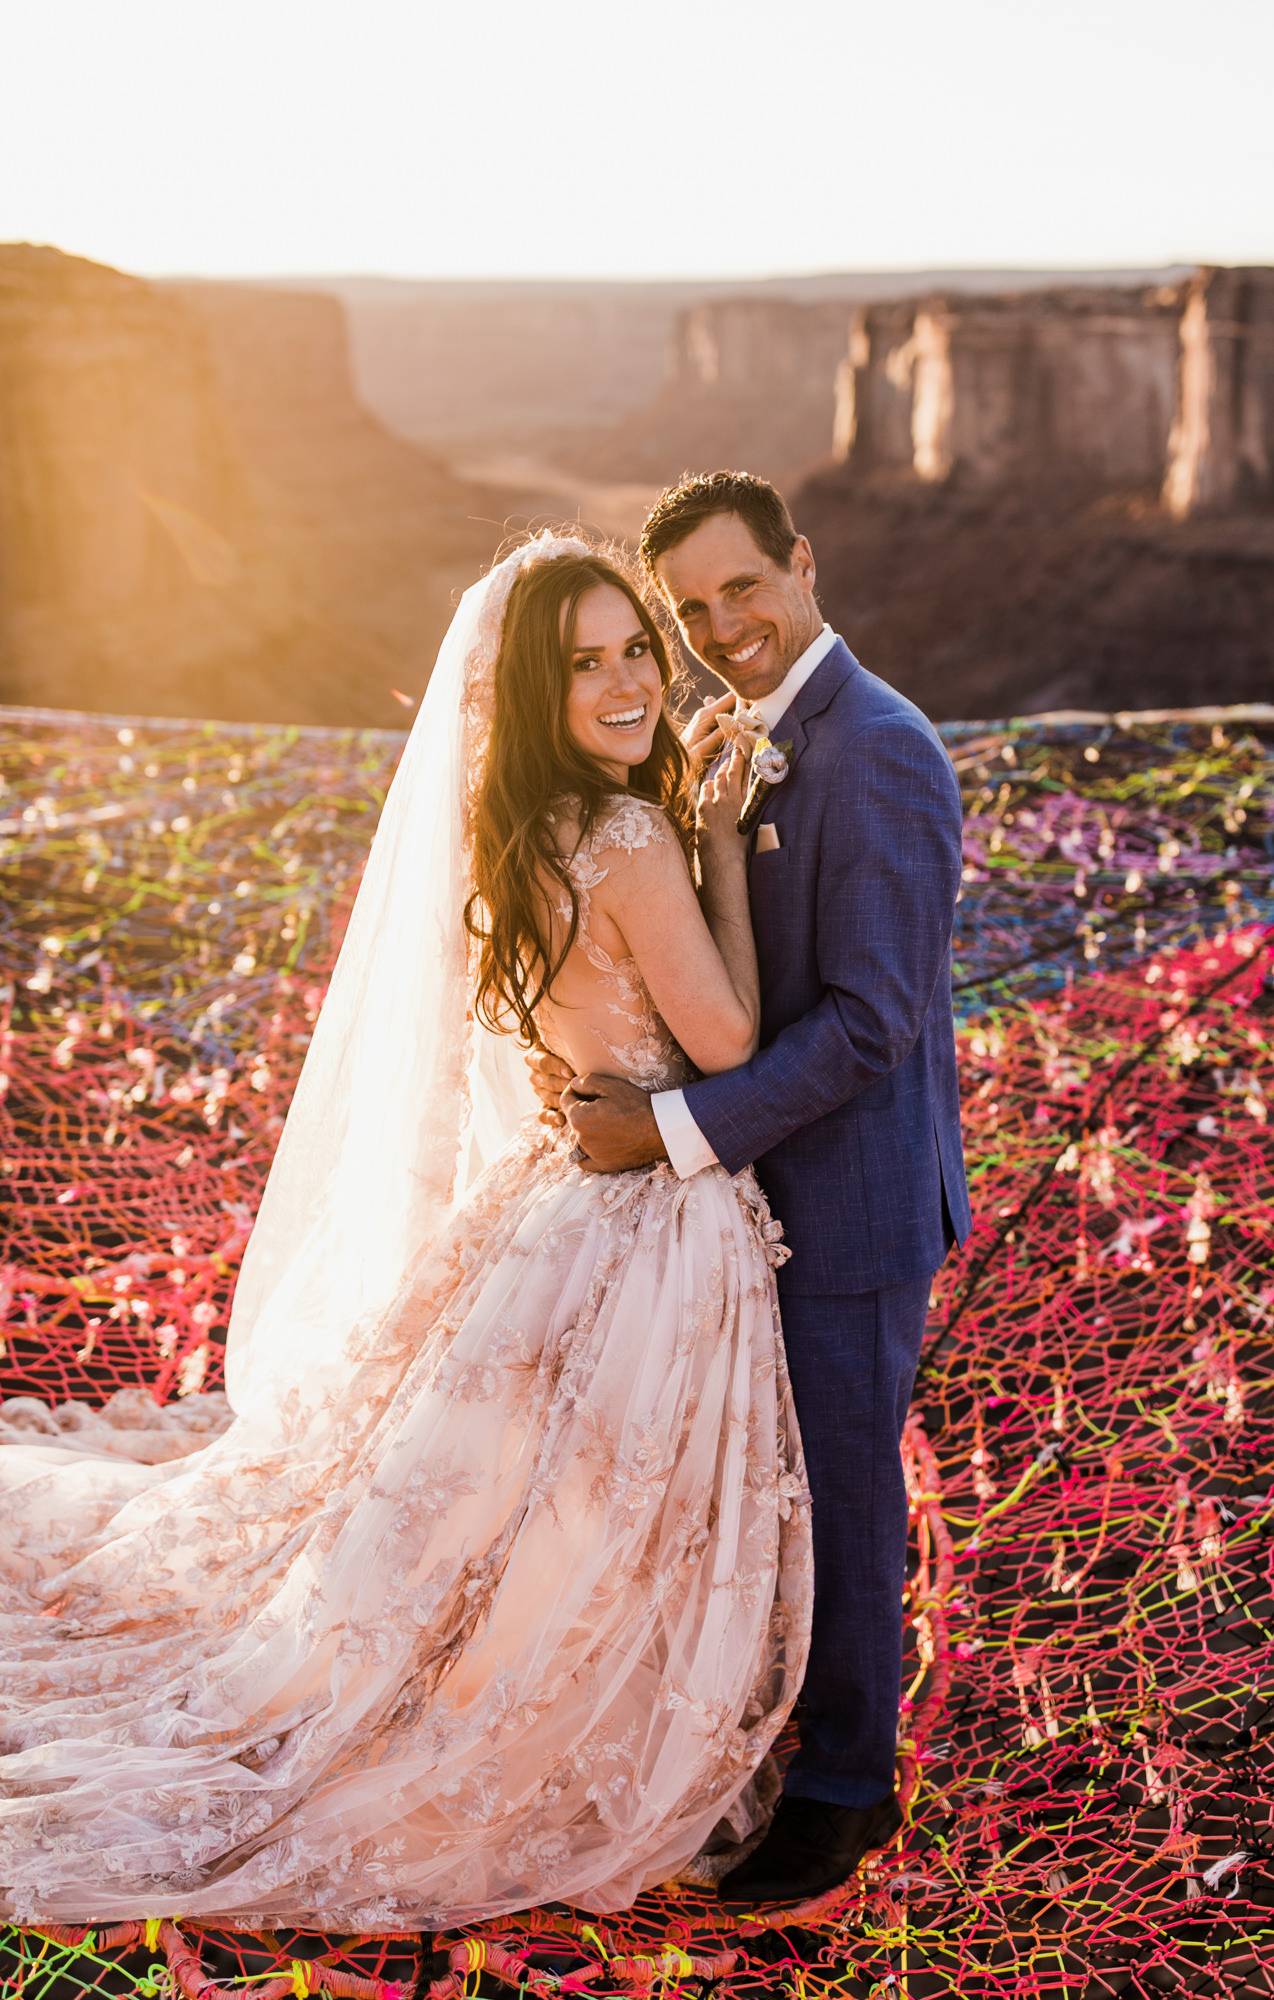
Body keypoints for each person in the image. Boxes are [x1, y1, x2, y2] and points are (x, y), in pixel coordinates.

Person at [0, 535, 813, 1930]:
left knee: (529, 1504)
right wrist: (726, 858)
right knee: (597, 1507)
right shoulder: (625, 839)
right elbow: (727, 1038)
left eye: (637, 651)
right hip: (649, 1227)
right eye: (586, 664)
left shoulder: (517, 833)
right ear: (529, 691)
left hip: (560, 1206)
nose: (627, 684)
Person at [530, 473, 971, 1911]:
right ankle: (763, 1740)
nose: (727, 626)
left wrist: (666, 1130)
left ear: (802, 563)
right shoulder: (744, 742)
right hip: (740, 1204)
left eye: (745, 588)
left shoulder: (880, 750)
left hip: (842, 1206)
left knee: (838, 1502)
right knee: (757, 1500)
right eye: (694, 610)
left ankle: (845, 1790)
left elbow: (868, 1023)